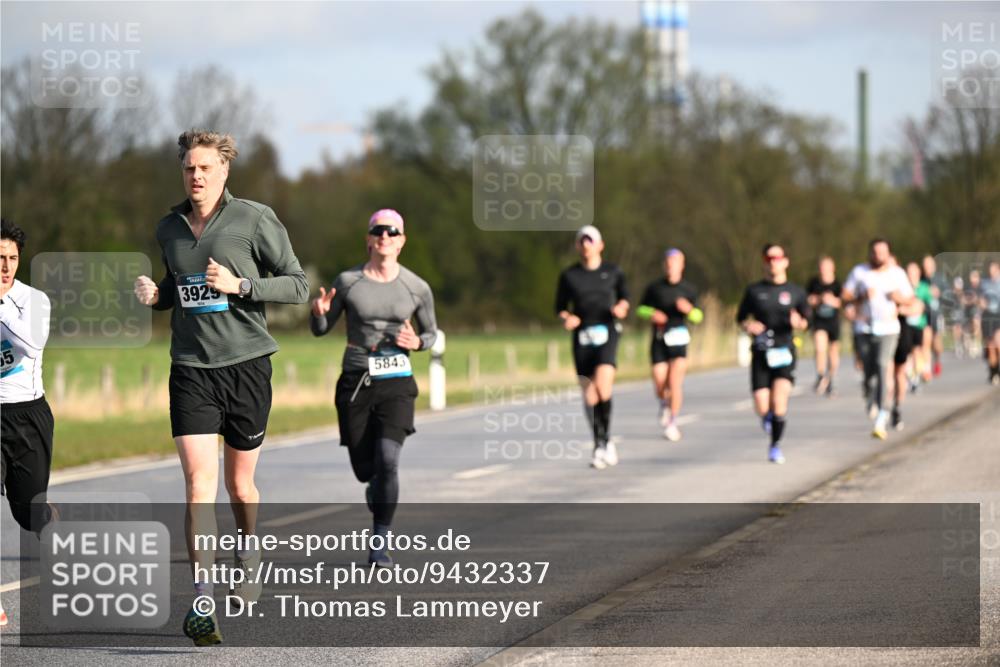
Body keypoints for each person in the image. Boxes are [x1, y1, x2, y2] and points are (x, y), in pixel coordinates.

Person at [133, 130, 309, 645]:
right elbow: (178, 288)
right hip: (190, 369)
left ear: (224, 171)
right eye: (189, 168)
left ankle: (249, 548)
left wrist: (241, 286)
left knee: (240, 488)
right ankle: (203, 600)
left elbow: (296, 284)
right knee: (196, 486)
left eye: (206, 168)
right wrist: (156, 295)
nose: (197, 176)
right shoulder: (169, 228)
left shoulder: (253, 218)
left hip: (247, 366)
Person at [311, 209, 437, 567]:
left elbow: (431, 333)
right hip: (356, 382)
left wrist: (418, 342)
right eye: (378, 231)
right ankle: (375, 488)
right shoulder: (348, 281)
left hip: (397, 382)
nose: (385, 236)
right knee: (366, 469)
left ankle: (380, 542)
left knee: (388, 460)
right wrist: (319, 313)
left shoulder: (417, 287)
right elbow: (320, 329)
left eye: (392, 232)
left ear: (402, 241)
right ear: (368, 239)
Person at [0, 219, 55, 627]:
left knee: (29, 511)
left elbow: (30, 342)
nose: (5, 267)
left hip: (27, 416)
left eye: (12, 259)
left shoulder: (34, 300)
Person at [555, 225, 629, 469]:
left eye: (591, 240)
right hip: (582, 336)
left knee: (604, 387)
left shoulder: (614, 272)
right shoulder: (569, 276)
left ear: (600, 245)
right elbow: (560, 307)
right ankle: (599, 442)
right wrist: (567, 318)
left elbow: (625, 300)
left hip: (607, 332)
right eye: (582, 241)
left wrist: (621, 309)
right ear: (578, 246)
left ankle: (605, 440)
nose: (586, 245)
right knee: (589, 393)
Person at [736, 243, 810, 464]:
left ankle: (775, 446)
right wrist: (749, 326)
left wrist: (800, 322)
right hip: (760, 351)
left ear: (785, 261)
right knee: (761, 404)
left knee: (779, 402)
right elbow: (740, 318)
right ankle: (769, 419)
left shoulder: (796, 292)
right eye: (769, 258)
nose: (773, 262)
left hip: (784, 351)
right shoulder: (754, 291)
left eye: (777, 258)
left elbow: (807, 320)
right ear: (764, 262)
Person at [842, 239, 914, 440]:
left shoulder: (897, 274)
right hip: (864, 329)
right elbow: (844, 297)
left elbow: (911, 299)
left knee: (883, 366)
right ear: (870, 253)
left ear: (888, 253)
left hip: (889, 329)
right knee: (869, 371)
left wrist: (899, 299)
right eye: (875, 252)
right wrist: (862, 296)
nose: (878, 256)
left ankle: (882, 415)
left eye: (882, 252)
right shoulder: (859, 272)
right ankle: (869, 394)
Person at [637, 248, 700, 441]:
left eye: (675, 263)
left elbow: (698, 316)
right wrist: (652, 314)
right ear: (664, 265)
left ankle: (672, 421)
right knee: (659, 382)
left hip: (679, 339)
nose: (671, 267)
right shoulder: (654, 288)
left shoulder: (689, 290)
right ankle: (664, 404)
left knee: (674, 382)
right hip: (659, 338)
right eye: (668, 263)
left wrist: (689, 310)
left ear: (682, 265)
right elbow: (640, 309)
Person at [889, 261, 929, 431]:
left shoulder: (919, 288)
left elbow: (922, 306)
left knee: (916, 352)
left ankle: (914, 377)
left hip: (916, 326)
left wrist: (903, 310)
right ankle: (887, 403)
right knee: (890, 369)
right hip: (893, 331)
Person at [806, 256, 843, 396]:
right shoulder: (813, 283)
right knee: (820, 348)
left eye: (827, 267)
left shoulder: (837, 284)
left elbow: (844, 302)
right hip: (818, 321)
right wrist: (819, 299)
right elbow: (806, 300)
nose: (824, 270)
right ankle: (820, 375)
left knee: (833, 352)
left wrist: (832, 301)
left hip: (833, 321)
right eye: (822, 267)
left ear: (832, 268)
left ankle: (831, 378)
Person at [921, 255, 946, 377]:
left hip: (937, 314)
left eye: (929, 265)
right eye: (925, 265)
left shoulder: (940, 279)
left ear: (934, 266)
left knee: (936, 341)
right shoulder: (921, 279)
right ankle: (926, 367)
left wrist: (939, 293)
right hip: (924, 314)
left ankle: (937, 360)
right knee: (926, 340)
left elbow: (949, 295)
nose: (927, 268)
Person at [980, 261, 1000, 385]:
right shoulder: (985, 284)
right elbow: (981, 299)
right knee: (991, 346)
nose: (991, 272)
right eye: (990, 270)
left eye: (994, 270)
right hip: (988, 317)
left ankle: (997, 368)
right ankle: (993, 372)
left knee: (998, 343)